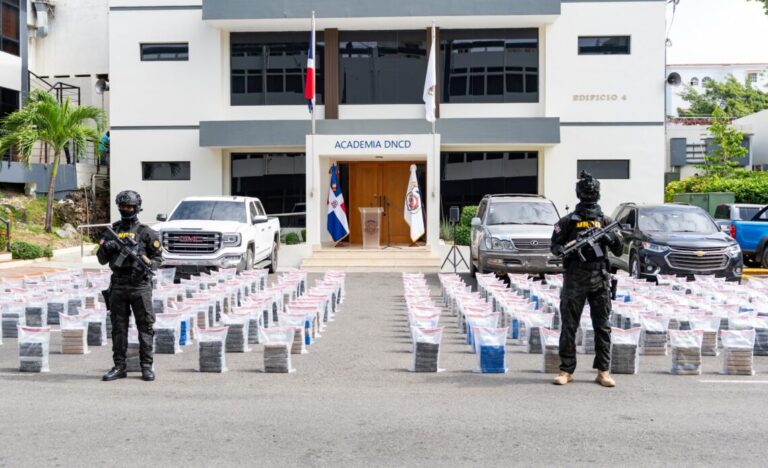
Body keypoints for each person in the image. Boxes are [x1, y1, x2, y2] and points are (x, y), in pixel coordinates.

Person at [550, 171, 623, 387]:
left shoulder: (606, 221)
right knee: (569, 326)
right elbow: (554, 247)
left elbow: (619, 250)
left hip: (599, 278)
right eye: (587, 191)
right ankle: (566, 370)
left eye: (593, 191)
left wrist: (611, 237)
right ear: (580, 193)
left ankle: (603, 371)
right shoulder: (567, 221)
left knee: (603, 326)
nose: (590, 194)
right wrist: (566, 249)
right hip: (574, 278)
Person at [97, 190, 162, 382]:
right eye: (122, 206)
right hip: (118, 285)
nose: (126, 210)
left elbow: (158, 258)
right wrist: (107, 247)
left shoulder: (146, 232)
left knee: (146, 327)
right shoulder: (113, 231)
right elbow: (101, 260)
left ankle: (146, 366)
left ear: (137, 207)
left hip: (140, 286)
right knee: (118, 328)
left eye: (129, 207)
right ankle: (119, 366)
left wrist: (148, 265)